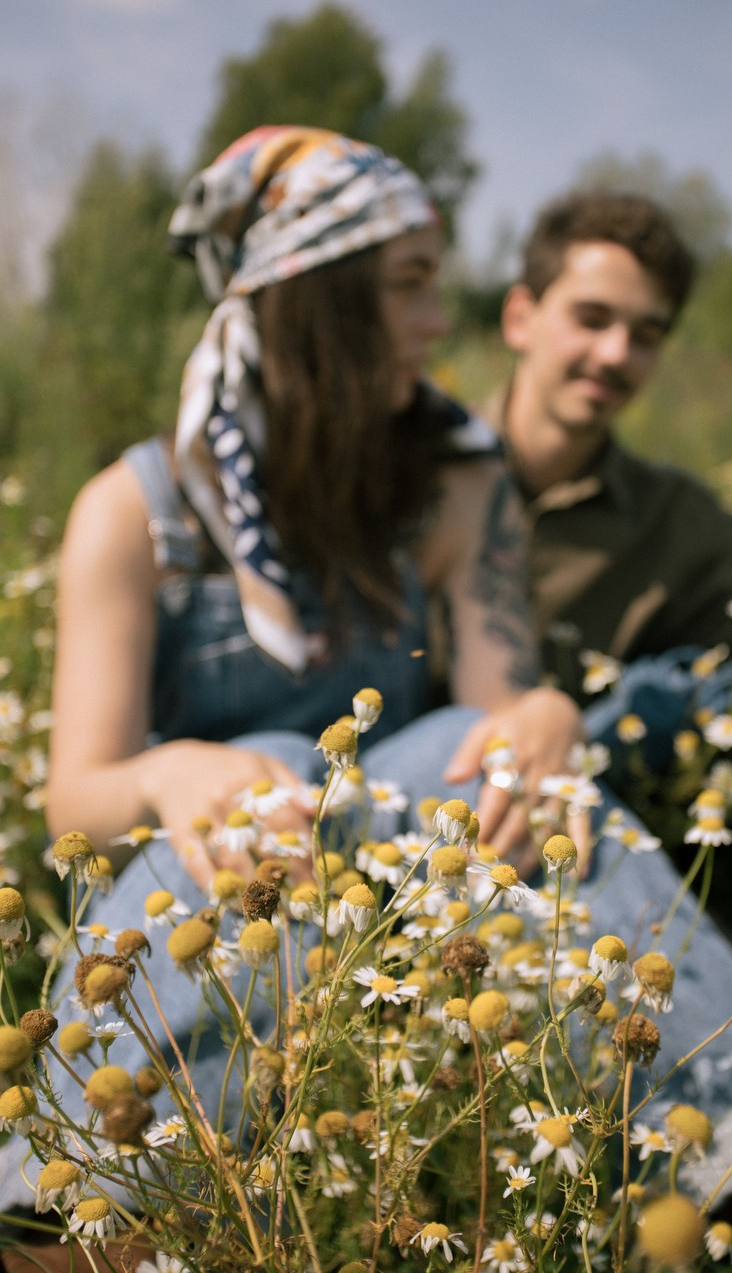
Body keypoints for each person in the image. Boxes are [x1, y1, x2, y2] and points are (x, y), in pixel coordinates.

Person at [0, 125, 581, 1231]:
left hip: (417, 865)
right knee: (266, 774)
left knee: (545, 791)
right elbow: (75, 795)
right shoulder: (137, 511)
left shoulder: (458, 488)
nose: (436, 321)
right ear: (313, 299)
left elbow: (499, 716)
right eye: (408, 285)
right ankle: (69, 1214)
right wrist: (171, 770)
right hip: (228, 874)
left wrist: (543, 711)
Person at [484, 187, 732, 1268]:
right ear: (520, 314)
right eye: (591, 317)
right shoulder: (428, 479)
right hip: (478, 803)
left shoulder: (668, 514)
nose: (614, 353)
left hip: (623, 776)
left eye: (646, 335)